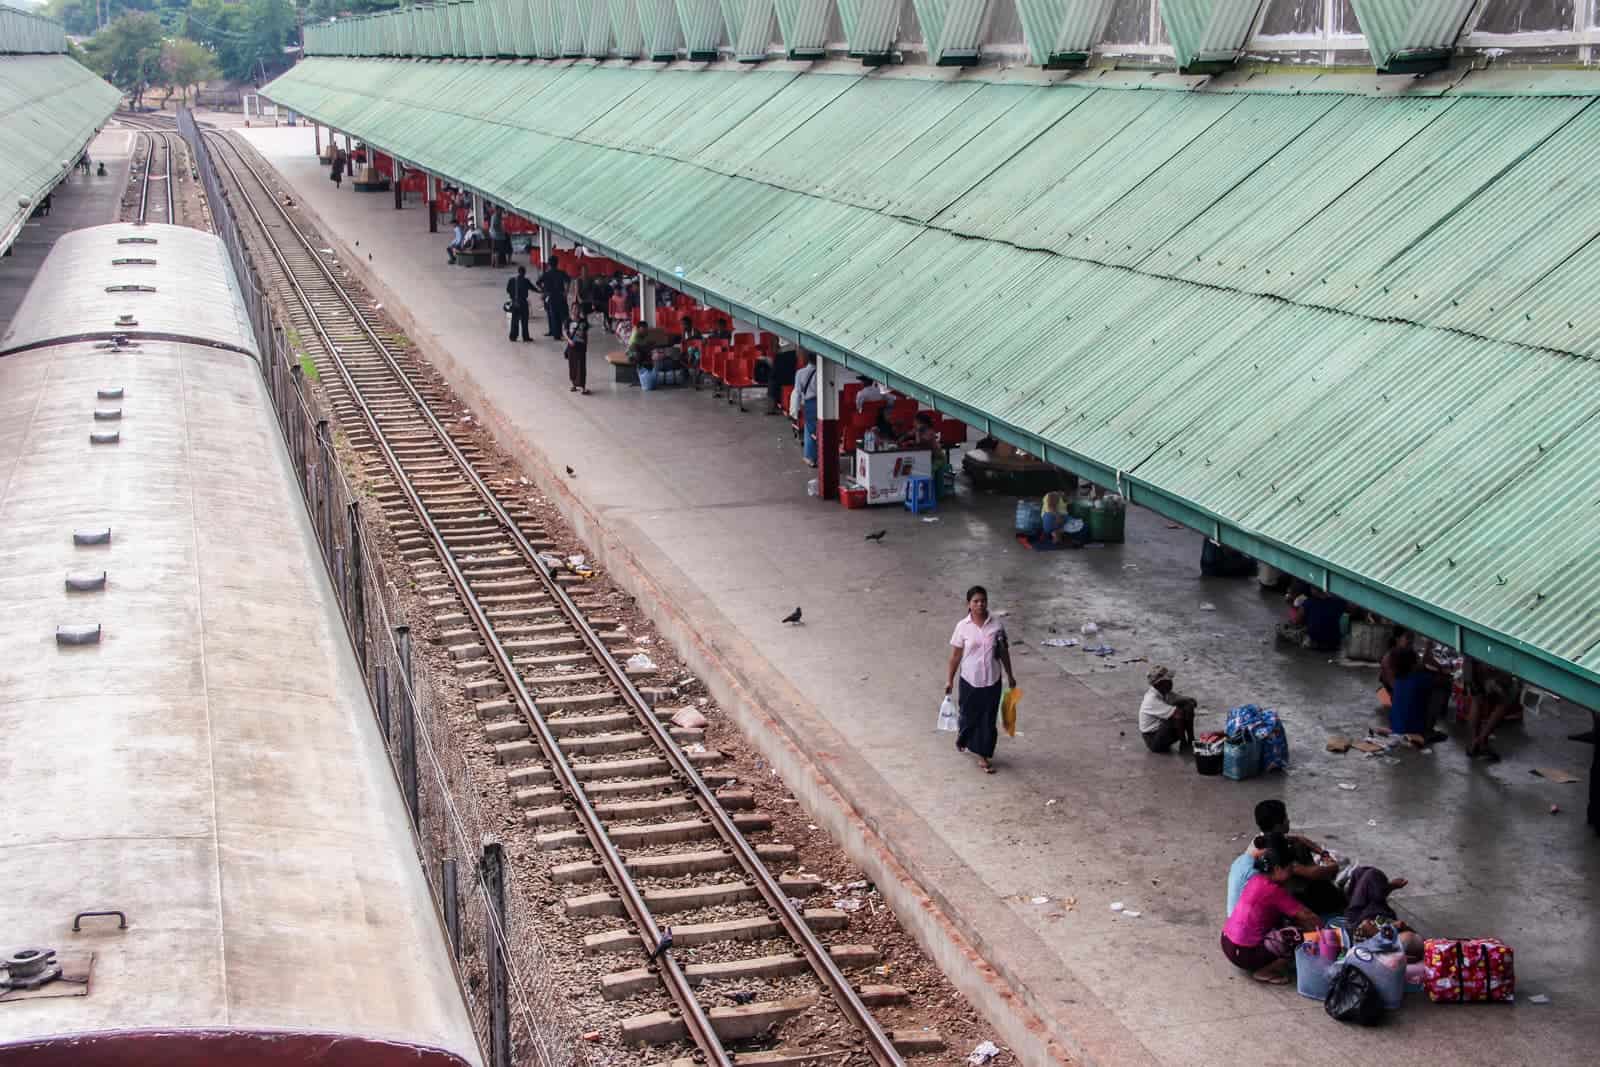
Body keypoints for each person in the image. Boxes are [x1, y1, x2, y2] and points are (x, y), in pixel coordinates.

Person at [1220, 833, 1320, 984]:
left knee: (1286, 921)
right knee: (1296, 936)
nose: (1293, 870)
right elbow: (1307, 915)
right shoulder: (1273, 891)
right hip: (1243, 953)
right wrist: (1326, 934)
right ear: (1278, 869)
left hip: (1228, 942)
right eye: (1290, 867)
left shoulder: (1256, 878)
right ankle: (1264, 971)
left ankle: (1264, 959)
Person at [1227, 799, 1344, 918]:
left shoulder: (1263, 840)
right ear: (1279, 825)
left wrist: (1323, 854)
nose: (1289, 821)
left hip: (1237, 917)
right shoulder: (1273, 853)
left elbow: (1300, 840)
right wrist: (1333, 865)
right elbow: (1314, 873)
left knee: (1299, 851)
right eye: (1286, 818)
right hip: (1248, 918)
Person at [944, 585, 1015, 775]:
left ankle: (984, 756)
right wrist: (949, 680)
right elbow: (956, 656)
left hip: (992, 680)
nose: (980, 604)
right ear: (968, 604)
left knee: (987, 720)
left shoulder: (997, 625)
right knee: (968, 715)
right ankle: (963, 738)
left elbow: (1003, 653)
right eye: (976, 601)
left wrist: (1010, 675)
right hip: (970, 680)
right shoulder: (962, 627)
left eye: (983, 600)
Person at [1466, 661, 1521, 762]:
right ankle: (1481, 741)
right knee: (1504, 701)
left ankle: (1474, 742)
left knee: (1476, 699)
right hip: (1493, 665)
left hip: (1472, 663)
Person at [1138, 666, 1196, 754]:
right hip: (1153, 740)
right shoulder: (1151, 699)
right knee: (1176, 715)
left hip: (1160, 733)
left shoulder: (1164, 692)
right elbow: (1177, 714)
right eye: (1168, 680)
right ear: (1159, 683)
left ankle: (1191, 740)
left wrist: (1189, 703)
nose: (1171, 682)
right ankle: (1183, 744)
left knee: (1187, 706)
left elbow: (1190, 701)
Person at [537, 256, 571, 340]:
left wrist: (544, 291)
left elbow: (538, 283)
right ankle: (565, 332)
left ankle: (554, 333)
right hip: (560, 296)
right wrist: (566, 292)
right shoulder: (561, 272)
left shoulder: (546, 273)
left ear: (549, 264)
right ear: (557, 263)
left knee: (553, 315)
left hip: (550, 297)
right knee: (563, 315)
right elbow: (568, 281)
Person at [793, 358, 819, 467]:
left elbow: (798, 393)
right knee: (818, 429)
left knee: (810, 430)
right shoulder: (821, 372)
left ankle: (810, 457)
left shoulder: (800, 373)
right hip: (822, 402)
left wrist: (796, 409)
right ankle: (819, 456)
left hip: (809, 403)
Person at [505, 265, 535, 342]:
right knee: (524, 321)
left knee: (514, 320)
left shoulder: (511, 280)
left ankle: (513, 336)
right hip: (523, 302)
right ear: (524, 272)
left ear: (518, 271)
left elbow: (508, 290)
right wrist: (541, 291)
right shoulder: (526, 281)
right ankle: (525, 337)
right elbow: (533, 288)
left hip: (514, 302)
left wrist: (513, 296)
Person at [766, 345, 798, 415]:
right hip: (785, 353)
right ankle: (775, 406)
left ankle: (774, 406)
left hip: (789, 353)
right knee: (773, 379)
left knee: (773, 379)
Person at [564, 315, 590, 395]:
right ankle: (574, 385)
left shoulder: (583, 321)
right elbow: (564, 332)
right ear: (571, 310)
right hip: (572, 346)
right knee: (572, 365)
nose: (576, 310)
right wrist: (569, 341)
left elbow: (586, 333)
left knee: (581, 365)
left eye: (577, 308)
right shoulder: (568, 321)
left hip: (581, 346)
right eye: (574, 308)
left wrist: (586, 343)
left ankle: (583, 387)